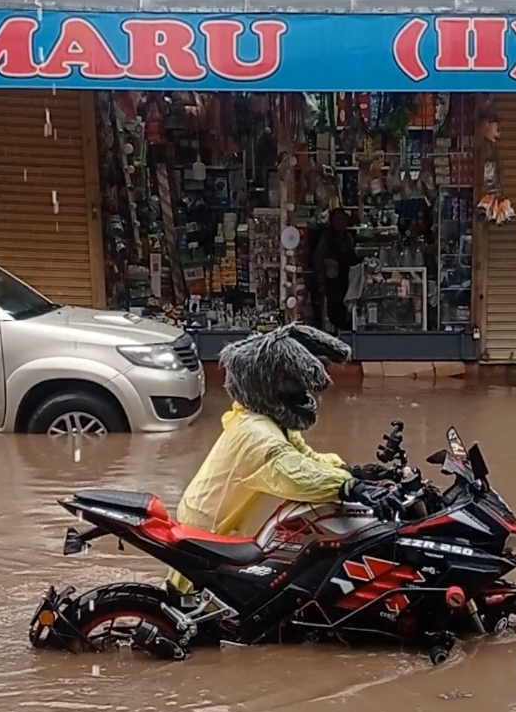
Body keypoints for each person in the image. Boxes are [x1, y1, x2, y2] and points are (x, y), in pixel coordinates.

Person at [168, 324, 400, 595]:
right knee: (195, 602)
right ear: (265, 387)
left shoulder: (272, 422)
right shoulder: (255, 432)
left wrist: (355, 473)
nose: (304, 397)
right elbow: (291, 472)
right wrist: (350, 486)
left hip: (230, 523)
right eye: (293, 387)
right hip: (212, 528)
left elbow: (306, 459)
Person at [311, 209, 358, 331]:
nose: (341, 222)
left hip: (347, 280)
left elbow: (352, 256)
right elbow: (318, 258)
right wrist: (321, 281)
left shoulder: (347, 237)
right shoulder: (327, 237)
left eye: (343, 219)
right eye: (337, 219)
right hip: (332, 281)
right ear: (332, 221)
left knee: (346, 308)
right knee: (334, 310)